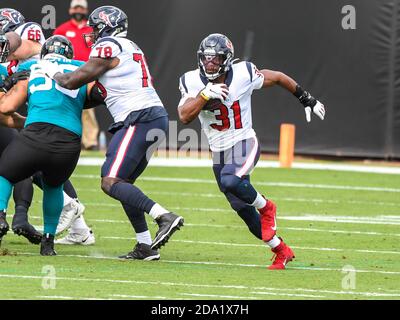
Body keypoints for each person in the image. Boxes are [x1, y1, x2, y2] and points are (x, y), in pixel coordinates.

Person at [40, 5, 184, 260]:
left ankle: (164, 216)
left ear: (107, 27)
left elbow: (73, 80)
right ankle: (144, 246)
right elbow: (91, 96)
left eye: (95, 29)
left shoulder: (110, 44)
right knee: (123, 184)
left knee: (111, 181)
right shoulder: (127, 49)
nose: (92, 34)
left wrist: (51, 70)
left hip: (139, 118)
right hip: (151, 118)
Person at [177, 33, 326, 270]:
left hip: (244, 141)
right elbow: (184, 116)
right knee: (242, 210)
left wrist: (306, 99)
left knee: (231, 180)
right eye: (206, 58)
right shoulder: (191, 80)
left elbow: (276, 77)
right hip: (219, 151)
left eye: (215, 59)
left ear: (226, 60)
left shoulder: (243, 73)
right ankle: (281, 251)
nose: (209, 64)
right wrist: (205, 94)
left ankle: (267, 206)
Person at [0, 8, 95, 246]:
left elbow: (28, 48)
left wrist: (13, 58)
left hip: (47, 90)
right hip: (40, 96)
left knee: (31, 160)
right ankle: (80, 230)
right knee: (40, 163)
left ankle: (66, 204)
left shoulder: (26, 32)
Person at [54, 0, 100, 151]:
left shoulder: (91, 29)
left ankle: (90, 141)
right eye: (76, 7)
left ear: (86, 10)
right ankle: (62, 137)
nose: (78, 10)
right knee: (65, 104)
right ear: (70, 10)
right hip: (67, 72)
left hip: (88, 71)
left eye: (81, 8)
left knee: (87, 108)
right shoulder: (62, 29)